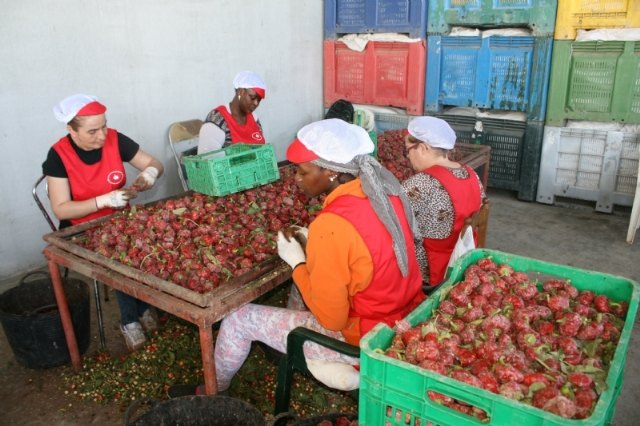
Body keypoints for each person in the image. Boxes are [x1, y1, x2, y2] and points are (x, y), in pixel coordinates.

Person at [169, 118, 424, 397]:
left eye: (302, 171)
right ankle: (285, 343)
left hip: (361, 338)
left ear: (330, 172)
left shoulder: (333, 225)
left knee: (238, 319)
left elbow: (332, 320)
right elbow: (368, 251)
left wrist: (298, 264)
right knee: (303, 282)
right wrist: (315, 249)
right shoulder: (387, 195)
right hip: (402, 316)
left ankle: (210, 392)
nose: (296, 179)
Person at [42, 93, 165, 351]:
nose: (102, 135)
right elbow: (61, 208)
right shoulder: (58, 156)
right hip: (81, 228)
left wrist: (150, 173)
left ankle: (144, 305)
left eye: (105, 125)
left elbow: (154, 162)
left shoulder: (115, 140)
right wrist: (102, 201)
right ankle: (130, 320)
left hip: (119, 221)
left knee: (155, 242)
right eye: (92, 131)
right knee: (120, 257)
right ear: (71, 130)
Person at [401, 116, 485, 293]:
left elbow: (392, 218)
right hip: (466, 257)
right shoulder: (471, 174)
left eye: (408, 150)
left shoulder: (421, 183)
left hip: (434, 271)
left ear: (423, 148)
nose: (408, 156)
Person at [197, 71, 267, 154]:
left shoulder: (254, 117)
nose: (256, 103)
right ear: (241, 92)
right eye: (252, 97)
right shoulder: (217, 119)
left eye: (259, 100)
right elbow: (207, 159)